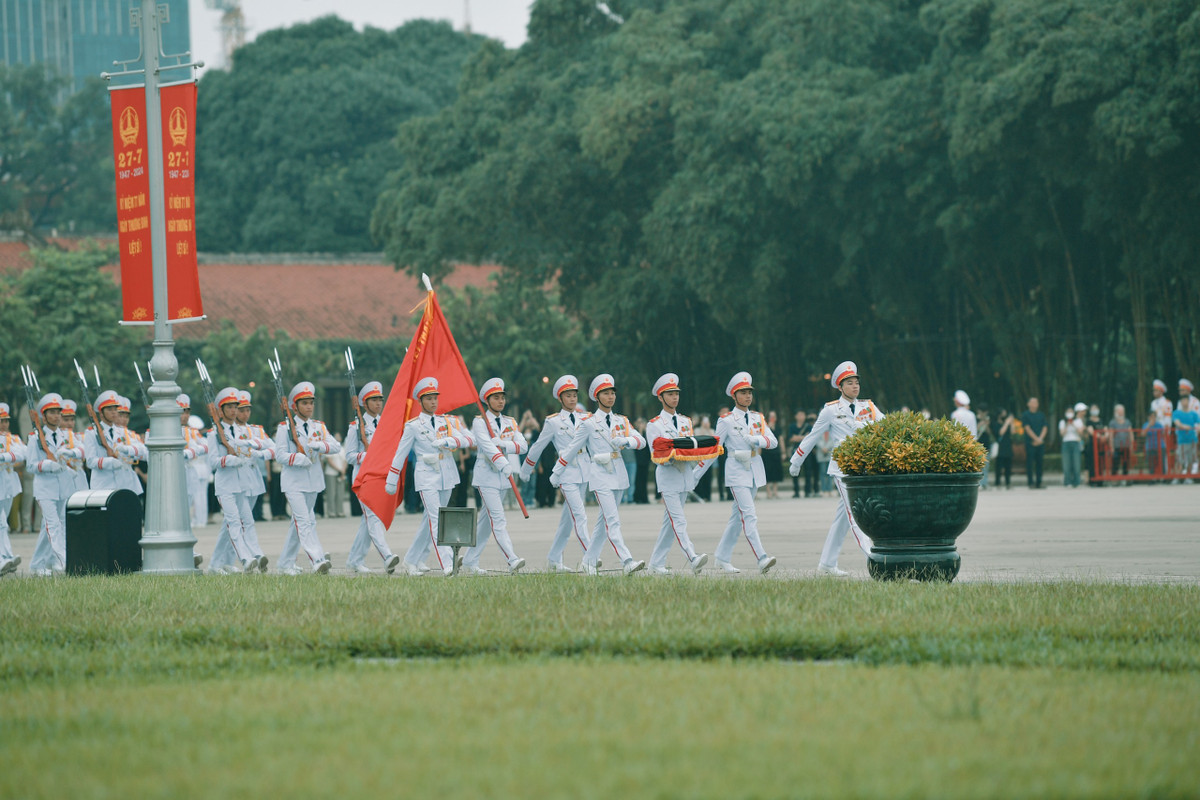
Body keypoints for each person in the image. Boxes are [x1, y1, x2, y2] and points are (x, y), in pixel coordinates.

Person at [788, 361, 879, 576]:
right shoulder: (831, 410)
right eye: (850, 383)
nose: (855, 386)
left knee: (843, 517)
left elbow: (887, 424)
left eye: (856, 382)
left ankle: (827, 564)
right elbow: (813, 436)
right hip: (842, 467)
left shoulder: (868, 406)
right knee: (856, 514)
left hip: (863, 468)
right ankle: (877, 560)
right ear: (840, 387)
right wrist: (796, 460)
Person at [550, 374, 647, 576]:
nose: (610, 397)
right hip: (600, 474)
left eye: (612, 393)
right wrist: (557, 472)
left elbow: (641, 441)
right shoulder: (589, 423)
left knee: (604, 523)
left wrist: (627, 441)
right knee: (612, 520)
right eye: (605, 393)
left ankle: (588, 562)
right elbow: (570, 449)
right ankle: (627, 560)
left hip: (618, 473)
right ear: (597, 396)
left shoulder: (622, 420)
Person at [384, 376, 474, 576]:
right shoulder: (414, 426)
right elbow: (400, 453)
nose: (433, 402)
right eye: (429, 398)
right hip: (426, 476)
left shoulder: (448, 421)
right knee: (437, 519)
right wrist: (392, 478)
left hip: (447, 474)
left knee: (430, 520)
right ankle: (448, 563)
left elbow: (470, 438)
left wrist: (452, 441)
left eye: (435, 398)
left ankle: (410, 560)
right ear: (420, 401)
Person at [520, 375, 593, 572]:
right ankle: (590, 558)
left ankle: (554, 558)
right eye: (568, 396)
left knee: (568, 520)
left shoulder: (585, 418)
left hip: (584, 470)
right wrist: (526, 469)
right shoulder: (553, 422)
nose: (572, 399)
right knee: (580, 515)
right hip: (566, 472)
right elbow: (538, 446)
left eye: (574, 395)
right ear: (560, 399)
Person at [643, 373, 710, 576]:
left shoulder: (685, 421)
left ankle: (656, 563)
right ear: (660, 397)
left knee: (670, 523)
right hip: (668, 477)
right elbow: (655, 454)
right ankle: (692, 557)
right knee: (678, 520)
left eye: (676, 394)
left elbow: (691, 446)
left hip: (684, 476)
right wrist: (675, 455)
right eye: (670, 394)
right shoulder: (654, 424)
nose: (674, 398)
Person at [461, 378, 528, 575]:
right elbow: (487, 446)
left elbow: (523, 446)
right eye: (496, 398)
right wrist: (502, 461)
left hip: (503, 477)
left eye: (502, 398)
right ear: (487, 401)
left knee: (486, 523)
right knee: (498, 519)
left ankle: (469, 560)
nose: (500, 401)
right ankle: (511, 559)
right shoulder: (480, 421)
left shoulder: (510, 422)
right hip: (486, 476)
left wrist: (505, 444)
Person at [715, 371, 778, 574]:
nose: (748, 396)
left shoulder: (758, 417)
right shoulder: (726, 420)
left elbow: (773, 441)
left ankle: (722, 557)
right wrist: (696, 473)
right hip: (735, 470)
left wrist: (758, 440)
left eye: (749, 392)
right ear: (734, 396)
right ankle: (761, 557)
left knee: (737, 517)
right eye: (743, 392)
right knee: (749, 515)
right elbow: (715, 448)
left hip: (754, 469)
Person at [274, 382, 338, 575]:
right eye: (305, 403)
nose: (309, 406)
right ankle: (317, 559)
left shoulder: (318, 426)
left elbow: (335, 446)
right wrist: (297, 458)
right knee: (303, 521)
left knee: (302, 523)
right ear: (295, 406)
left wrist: (320, 446)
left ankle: (285, 563)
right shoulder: (285, 428)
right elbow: (280, 455)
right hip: (293, 482)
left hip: (314, 481)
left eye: (311, 403)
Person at [344, 381, 401, 575]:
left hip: (381, 476)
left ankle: (354, 560)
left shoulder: (386, 424)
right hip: (364, 477)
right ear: (364, 404)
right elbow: (350, 455)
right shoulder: (356, 427)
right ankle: (387, 556)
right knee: (373, 516)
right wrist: (370, 455)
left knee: (367, 520)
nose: (378, 403)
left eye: (380, 399)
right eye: (373, 400)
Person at [204, 386, 262, 573]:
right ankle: (246, 559)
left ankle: (216, 564)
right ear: (221, 411)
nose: (233, 410)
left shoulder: (241, 431)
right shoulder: (214, 433)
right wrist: (231, 460)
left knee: (247, 521)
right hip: (225, 486)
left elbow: (249, 449)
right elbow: (212, 461)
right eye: (229, 407)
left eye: (235, 406)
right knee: (234, 522)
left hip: (242, 484)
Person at [27, 393, 80, 576]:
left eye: (58, 412)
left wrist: (70, 453)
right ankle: (62, 561)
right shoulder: (35, 438)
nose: (57, 416)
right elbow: (30, 465)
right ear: (44, 415)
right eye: (52, 412)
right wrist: (49, 465)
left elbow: (82, 450)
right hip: (45, 489)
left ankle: (37, 564)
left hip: (64, 487)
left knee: (56, 525)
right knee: (53, 525)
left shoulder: (66, 436)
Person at [0, 403, 27, 575]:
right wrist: (10, 457)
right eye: (1, 421)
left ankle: (5, 556)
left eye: (6, 421)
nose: (4, 424)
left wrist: (5, 457)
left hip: (8, 485)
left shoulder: (13, 438)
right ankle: (5, 556)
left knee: (4, 522)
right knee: (1, 522)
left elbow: (22, 453)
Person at [178, 394, 211, 529]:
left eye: (187, 412)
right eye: (182, 412)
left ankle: (198, 521)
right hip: (179, 471)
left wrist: (191, 451)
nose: (185, 415)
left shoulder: (190, 432)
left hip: (191, 468)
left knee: (193, 498)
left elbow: (206, 446)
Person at [1020, 397, 1048, 489]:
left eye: (1036, 402)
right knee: (1030, 463)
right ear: (1028, 404)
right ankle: (1030, 482)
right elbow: (1027, 428)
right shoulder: (1025, 415)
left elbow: (1045, 427)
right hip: (1030, 443)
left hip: (1040, 442)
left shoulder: (1041, 415)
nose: (1034, 404)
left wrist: (1040, 439)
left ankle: (1039, 482)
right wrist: (1036, 439)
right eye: (1032, 402)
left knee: (1040, 462)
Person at [1171, 394, 1199, 480]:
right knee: (1180, 459)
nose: (1184, 402)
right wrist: (1184, 426)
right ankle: (1178, 477)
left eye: (1186, 400)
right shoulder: (1177, 413)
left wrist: (1197, 429)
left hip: (1192, 439)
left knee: (1191, 458)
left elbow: (1198, 424)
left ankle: (1188, 477)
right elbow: (1177, 423)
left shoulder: (1194, 414)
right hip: (1182, 440)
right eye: (1183, 400)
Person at [517, 409, 540, 509]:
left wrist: (531, 417)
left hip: (533, 468)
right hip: (523, 467)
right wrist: (524, 418)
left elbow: (538, 428)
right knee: (524, 486)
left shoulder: (534, 442)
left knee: (532, 486)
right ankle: (524, 502)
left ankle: (530, 501)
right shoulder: (522, 443)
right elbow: (518, 430)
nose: (528, 433)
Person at [1059, 404, 1084, 488]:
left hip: (1076, 442)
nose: (1069, 413)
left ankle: (1076, 482)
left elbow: (1081, 433)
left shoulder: (1078, 421)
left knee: (1076, 463)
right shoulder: (1062, 422)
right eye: (1068, 412)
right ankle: (1067, 481)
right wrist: (1067, 424)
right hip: (1066, 443)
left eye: (1071, 412)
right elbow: (1062, 434)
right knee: (1066, 464)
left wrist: (1073, 424)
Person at [1109, 404, 1133, 484]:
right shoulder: (1112, 422)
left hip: (1126, 446)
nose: (1121, 413)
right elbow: (1111, 435)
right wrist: (1111, 446)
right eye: (1119, 412)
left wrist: (1131, 444)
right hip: (1117, 446)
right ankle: (1114, 480)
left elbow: (1131, 433)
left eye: (1122, 412)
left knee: (1126, 462)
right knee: (1115, 463)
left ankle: (1125, 479)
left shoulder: (1127, 422)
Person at [693, 415, 715, 501]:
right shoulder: (697, 430)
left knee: (709, 476)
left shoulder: (712, 430)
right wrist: (703, 428)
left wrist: (708, 429)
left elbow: (714, 439)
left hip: (709, 456)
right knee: (699, 475)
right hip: (699, 456)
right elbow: (698, 438)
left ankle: (708, 495)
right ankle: (701, 495)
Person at [761, 410, 782, 499]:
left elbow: (781, 439)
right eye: (771, 416)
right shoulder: (764, 427)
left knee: (776, 471)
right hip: (766, 452)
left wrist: (783, 451)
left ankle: (775, 491)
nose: (772, 418)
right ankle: (768, 492)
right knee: (767, 472)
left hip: (776, 452)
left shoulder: (778, 427)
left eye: (774, 416)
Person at [994, 409, 1015, 489]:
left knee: (1008, 466)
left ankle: (1008, 483)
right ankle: (998, 483)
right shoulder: (996, 424)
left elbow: (1013, 432)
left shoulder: (1007, 424)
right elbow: (1000, 433)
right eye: (1003, 414)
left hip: (1008, 446)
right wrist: (1006, 423)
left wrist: (1012, 423)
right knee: (998, 466)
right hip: (1000, 447)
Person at [1143, 411, 1168, 476]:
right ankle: (1152, 478)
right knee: (1151, 464)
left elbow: (1164, 434)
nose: (1152, 418)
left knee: (1162, 463)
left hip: (1160, 446)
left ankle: (1163, 477)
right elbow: (1143, 434)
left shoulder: (1159, 425)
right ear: (1148, 417)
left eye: (1154, 416)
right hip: (1150, 447)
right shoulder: (1145, 425)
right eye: (1151, 416)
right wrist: (1149, 425)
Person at [976, 405, 994, 490]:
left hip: (986, 446)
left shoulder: (988, 420)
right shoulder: (975, 419)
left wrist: (986, 425)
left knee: (986, 466)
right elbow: (974, 430)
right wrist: (980, 424)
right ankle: (979, 483)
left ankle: (985, 483)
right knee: (978, 466)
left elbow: (990, 433)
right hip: (977, 446)